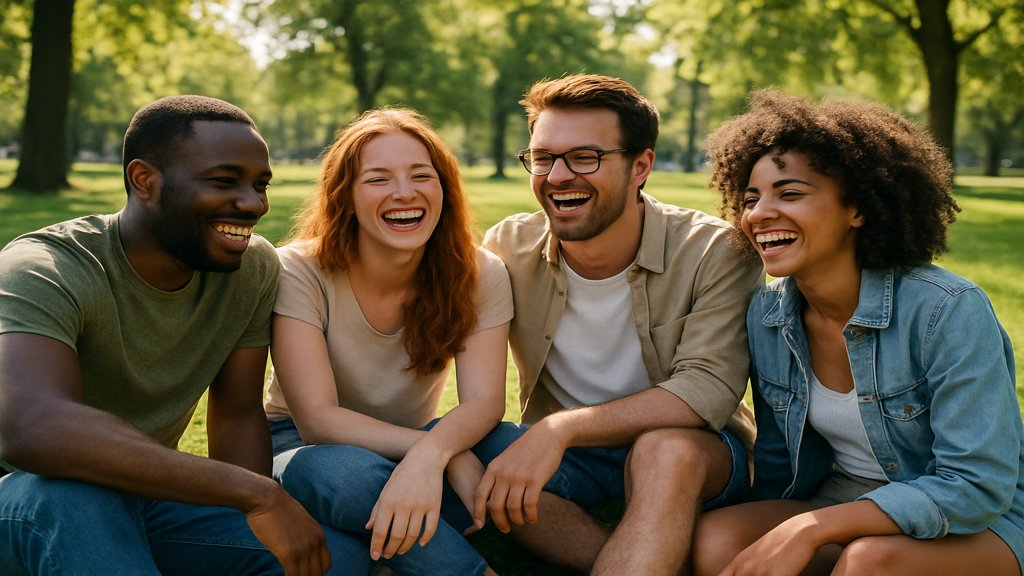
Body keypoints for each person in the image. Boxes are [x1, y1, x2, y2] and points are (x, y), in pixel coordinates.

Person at [0, 95, 366, 576]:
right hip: (29, 497)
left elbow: (236, 415)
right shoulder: (45, 269)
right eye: (223, 181)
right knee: (71, 499)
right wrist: (254, 493)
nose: (253, 204)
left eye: (260, 184)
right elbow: (31, 427)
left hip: (143, 495)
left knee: (331, 562)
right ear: (144, 180)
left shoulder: (249, 267)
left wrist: (259, 512)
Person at [692, 89, 1024, 576]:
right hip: (844, 497)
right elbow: (781, 463)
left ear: (858, 209)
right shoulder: (768, 314)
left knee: (870, 562)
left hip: (979, 517)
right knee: (719, 540)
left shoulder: (946, 310)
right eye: (750, 198)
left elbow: (975, 485)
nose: (759, 213)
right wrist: (785, 524)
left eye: (789, 193)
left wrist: (811, 529)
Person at [470, 73, 765, 575]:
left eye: (585, 157)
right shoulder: (508, 247)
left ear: (640, 165)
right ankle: (642, 559)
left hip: (695, 453)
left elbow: (706, 390)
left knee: (664, 450)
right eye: (543, 158)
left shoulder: (714, 250)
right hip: (570, 460)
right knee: (474, 455)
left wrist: (560, 429)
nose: (558, 175)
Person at [264, 107, 512, 575]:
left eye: (422, 175)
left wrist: (435, 451)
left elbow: (484, 403)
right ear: (346, 197)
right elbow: (318, 420)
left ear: (444, 189)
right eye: (377, 179)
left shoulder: (480, 273)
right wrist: (441, 453)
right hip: (302, 447)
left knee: (509, 446)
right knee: (347, 477)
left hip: (417, 442)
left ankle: (372, 534)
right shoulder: (299, 269)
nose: (404, 193)